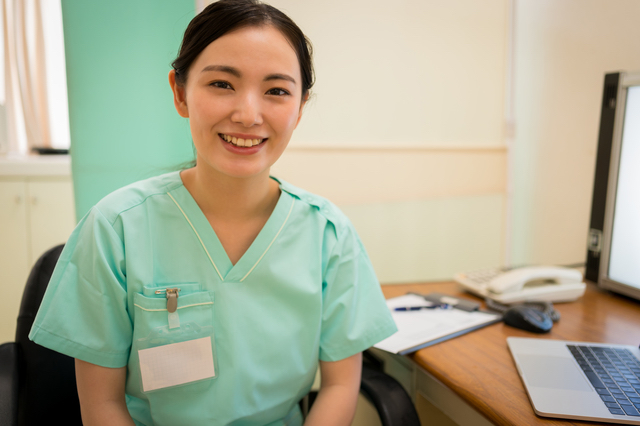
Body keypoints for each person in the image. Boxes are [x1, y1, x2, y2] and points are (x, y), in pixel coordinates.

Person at [29, 1, 397, 425]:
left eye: (276, 90)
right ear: (180, 93)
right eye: (222, 84)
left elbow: (338, 386)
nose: (247, 114)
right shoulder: (117, 228)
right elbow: (102, 406)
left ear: (300, 107)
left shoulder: (329, 235)